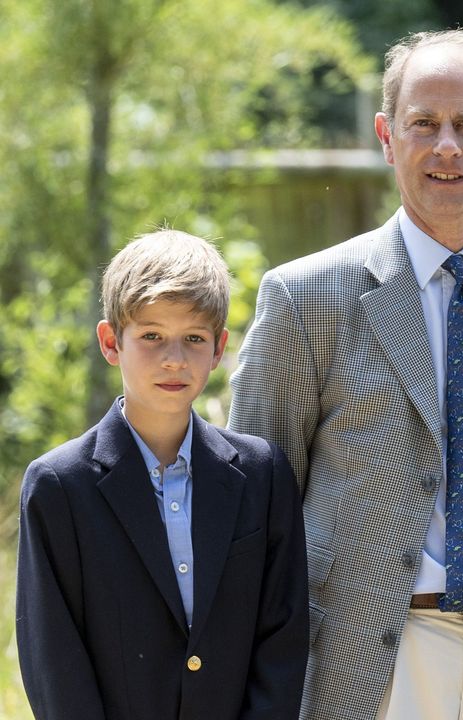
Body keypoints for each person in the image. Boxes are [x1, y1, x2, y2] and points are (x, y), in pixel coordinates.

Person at [227, 29, 463, 720]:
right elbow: (256, 503)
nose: (447, 148)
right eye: (423, 125)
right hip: (365, 662)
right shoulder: (305, 297)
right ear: (385, 135)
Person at [16, 230, 308, 719]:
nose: (174, 358)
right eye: (151, 336)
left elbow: (282, 638)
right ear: (111, 342)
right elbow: (54, 661)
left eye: (193, 338)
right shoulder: (58, 486)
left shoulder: (263, 475)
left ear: (218, 349)